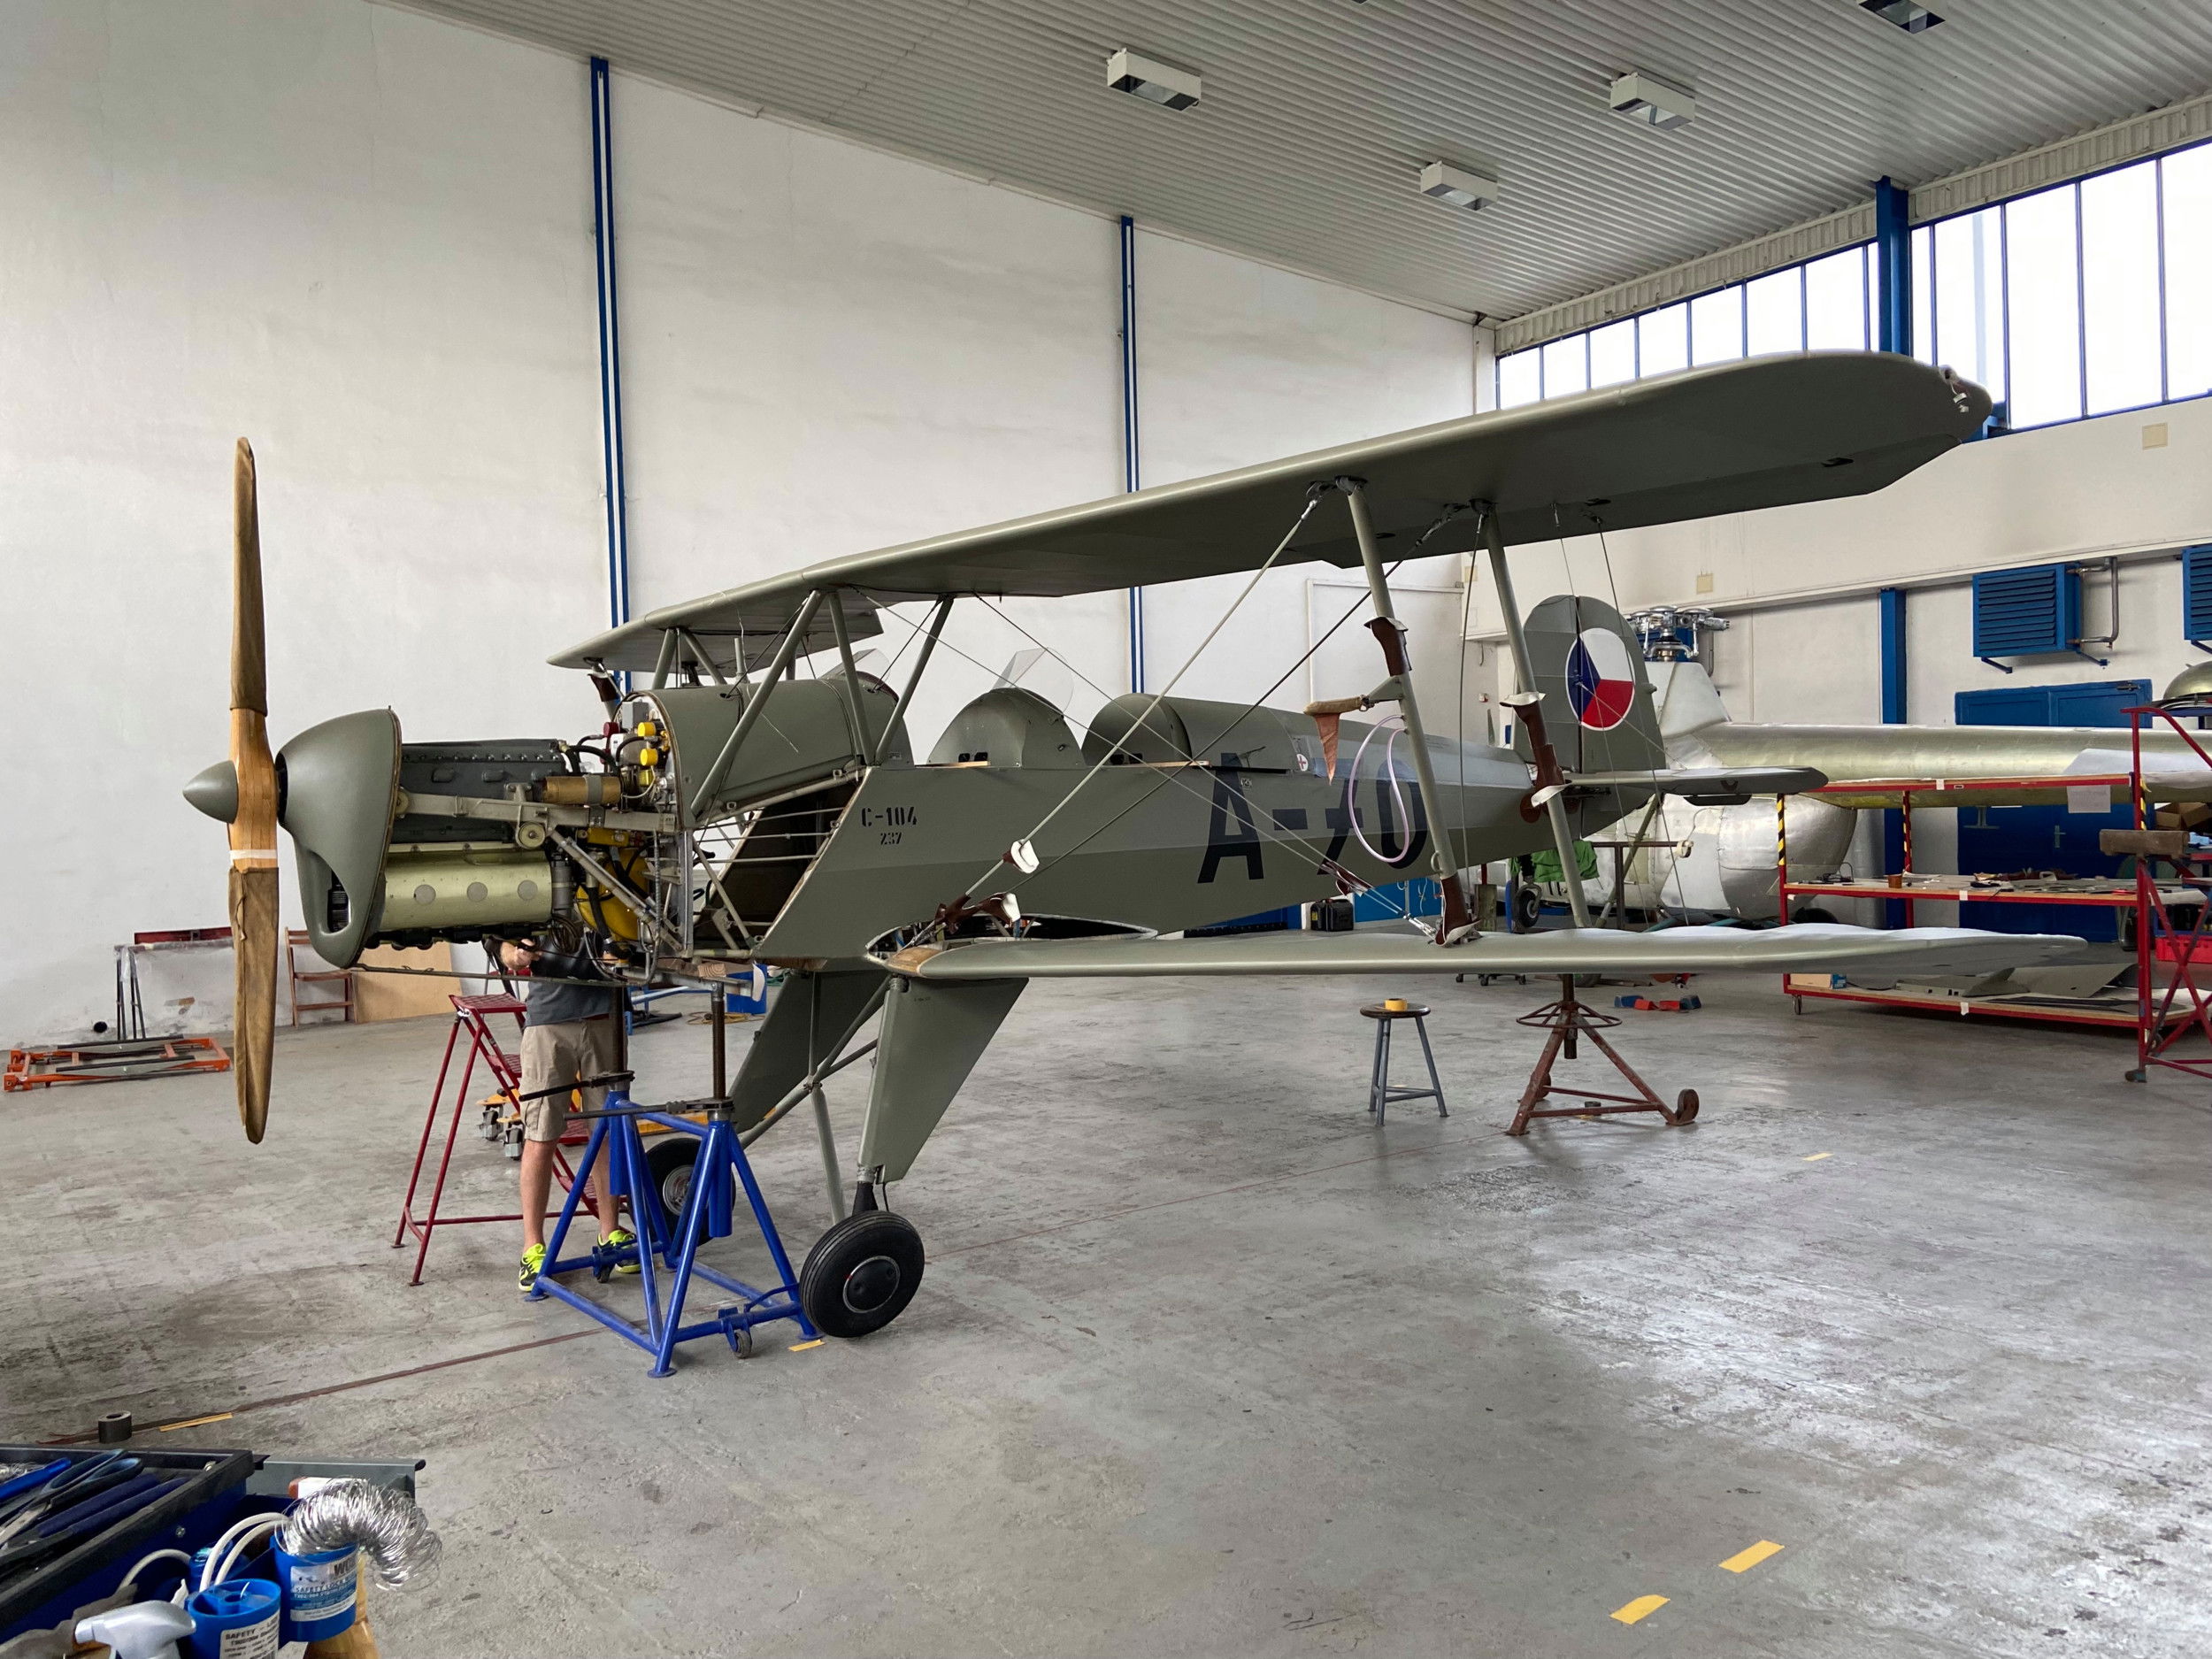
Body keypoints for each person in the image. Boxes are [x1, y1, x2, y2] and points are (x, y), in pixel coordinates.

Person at [499, 932, 634, 1292]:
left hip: (606, 1018)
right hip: (549, 1024)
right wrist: (517, 955)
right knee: (541, 1135)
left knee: (606, 1133)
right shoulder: (541, 890)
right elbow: (503, 944)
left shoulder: (613, 893)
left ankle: (611, 1232)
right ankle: (532, 1247)